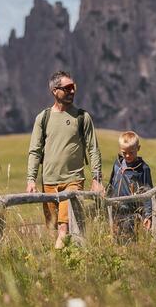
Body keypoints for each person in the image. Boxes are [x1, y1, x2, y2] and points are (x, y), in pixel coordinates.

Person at [26, 70, 103, 249]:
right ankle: (75, 260)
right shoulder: (43, 118)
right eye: (67, 88)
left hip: (73, 181)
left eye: (73, 87)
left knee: (63, 228)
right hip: (49, 183)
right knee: (54, 228)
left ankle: (56, 263)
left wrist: (97, 179)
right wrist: (31, 179)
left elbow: (93, 149)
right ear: (55, 90)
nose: (72, 91)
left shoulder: (82, 117)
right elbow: (35, 151)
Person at [107, 131, 154, 242]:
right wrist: (106, 198)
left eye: (131, 152)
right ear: (120, 149)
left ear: (138, 148)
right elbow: (111, 183)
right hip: (114, 208)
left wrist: (148, 215)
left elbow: (148, 192)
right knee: (113, 237)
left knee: (128, 239)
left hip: (131, 211)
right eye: (124, 152)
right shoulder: (117, 164)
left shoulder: (142, 169)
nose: (127, 155)